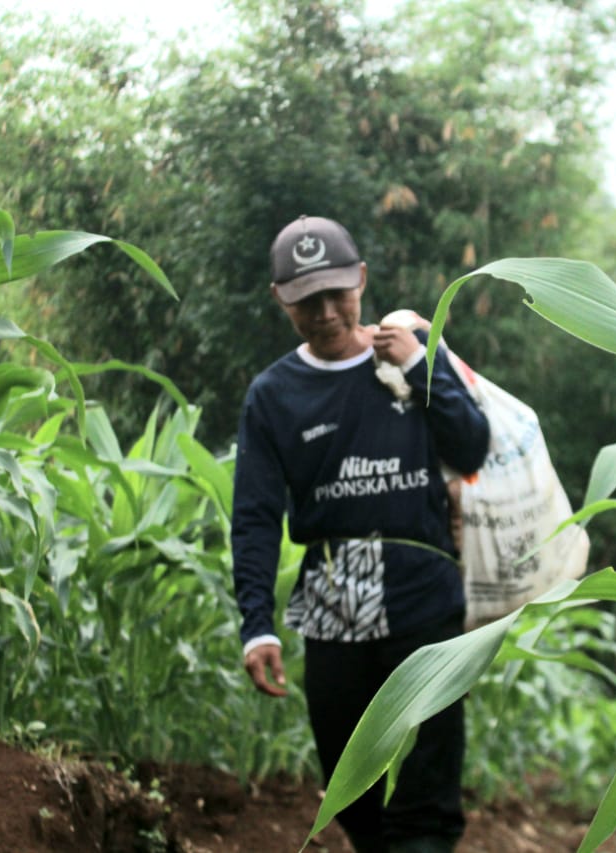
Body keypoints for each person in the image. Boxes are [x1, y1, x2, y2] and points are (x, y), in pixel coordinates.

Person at [231, 215, 491, 853]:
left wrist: (421, 365)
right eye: (305, 300)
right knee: (353, 790)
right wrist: (256, 624)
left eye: (336, 295)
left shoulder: (411, 354)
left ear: (362, 281)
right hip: (332, 609)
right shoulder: (272, 396)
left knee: (427, 801)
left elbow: (473, 445)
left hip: (424, 601)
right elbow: (256, 516)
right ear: (280, 300)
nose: (324, 313)